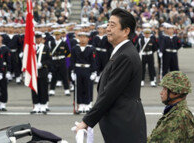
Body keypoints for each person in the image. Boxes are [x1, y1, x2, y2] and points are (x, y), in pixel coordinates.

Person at [75, 8, 147, 143]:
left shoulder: (125, 55)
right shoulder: (121, 52)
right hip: (120, 124)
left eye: (112, 25)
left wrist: (86, 122)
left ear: (126, 31)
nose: (107, 29)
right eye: (108, 24)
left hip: (124, 126)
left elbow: (109, 93)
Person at [147, 71, 194, 142]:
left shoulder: (178, 117)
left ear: (175, 92)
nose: (161, 93)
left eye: (165, 89)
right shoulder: (174, 111)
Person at [70, 31, 97, 113]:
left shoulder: (91, 48)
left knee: (87, 87)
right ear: (78, 38)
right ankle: (80, 105)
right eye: (81, 37)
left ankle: (87, 104)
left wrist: (94, 72)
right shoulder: (75, 48)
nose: (83, 39)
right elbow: (72, 61)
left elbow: (93, 61)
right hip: (78, 69)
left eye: (85, 37)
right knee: (79, 88)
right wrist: (72, 72)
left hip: (87, 69)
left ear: (88, 39)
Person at [31, 31, 52, 114]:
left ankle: (43, 105)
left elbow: (49, 60)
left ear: (41, 38)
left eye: (39, 38)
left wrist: (42, 64)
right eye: (36, 38)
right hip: (33, 71)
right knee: (35, 89)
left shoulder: (46, 48)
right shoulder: (32, 47)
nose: (38, 39)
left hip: (43, 70)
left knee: (43, 88)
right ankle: (36, 105)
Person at [49, 29, 71, 96]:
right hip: (54, 60)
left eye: (58, 35)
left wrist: (63, 56)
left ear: (60, 35)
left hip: (62, 60)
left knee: (64, 75)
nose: (57, 36)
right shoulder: (51, 43)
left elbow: (68, 52)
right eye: (56, 35)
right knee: (54, 76)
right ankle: (52, 90)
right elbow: (49, 52)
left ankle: (67, 90)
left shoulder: (64, 43)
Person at [0, 32, 12, 111]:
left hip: (3, 69)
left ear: (2, 38)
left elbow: (9, 61)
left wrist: (9, 71)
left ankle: (3, 104)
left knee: (3, 87)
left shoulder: (5, 48)